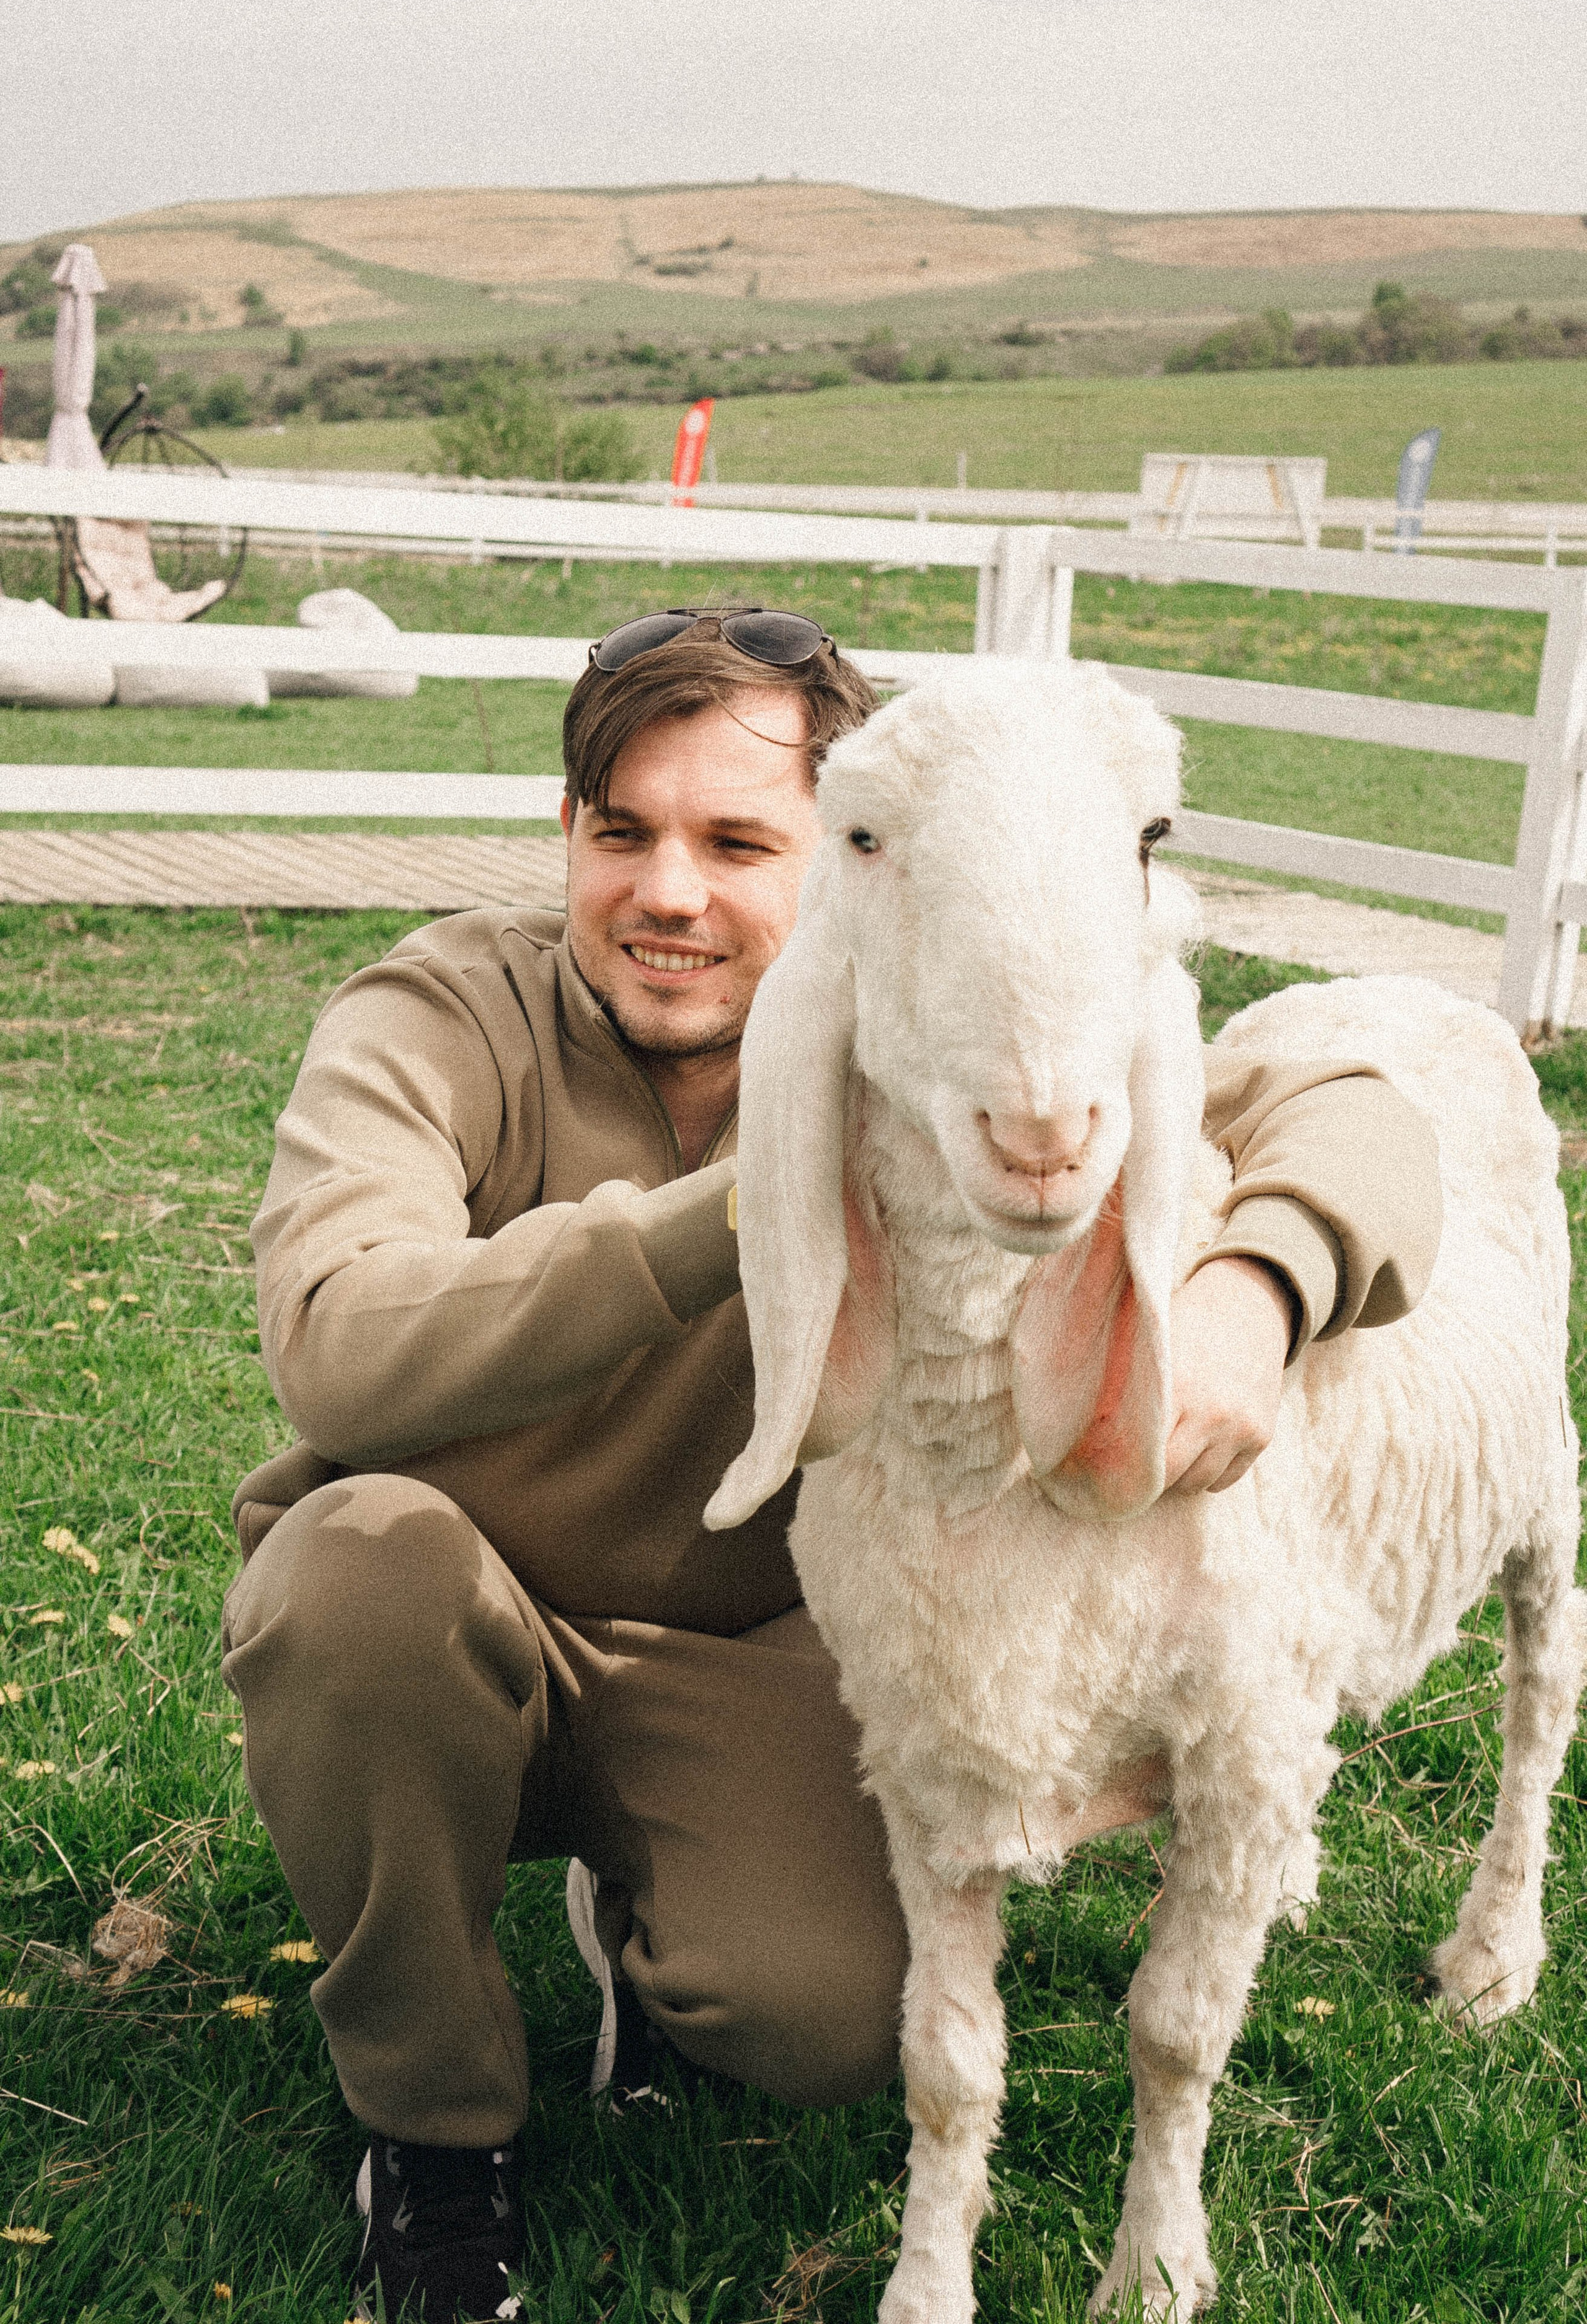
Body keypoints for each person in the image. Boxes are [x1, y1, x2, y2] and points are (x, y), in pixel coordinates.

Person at [222, 608, 1441, 2323]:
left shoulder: (922, 1028)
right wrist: (747, 1209)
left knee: (835, 2017)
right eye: (623, 833)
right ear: (566, 836)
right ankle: (434, 2135)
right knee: (345, 1573)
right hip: (454, 1615)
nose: (671, 893)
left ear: (848, 867)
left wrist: (1265, 1279)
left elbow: (1354, 1112)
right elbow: (338, 1337)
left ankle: (652, 1949)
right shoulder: (437, 1017)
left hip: (749, 1650)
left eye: (739, 843)